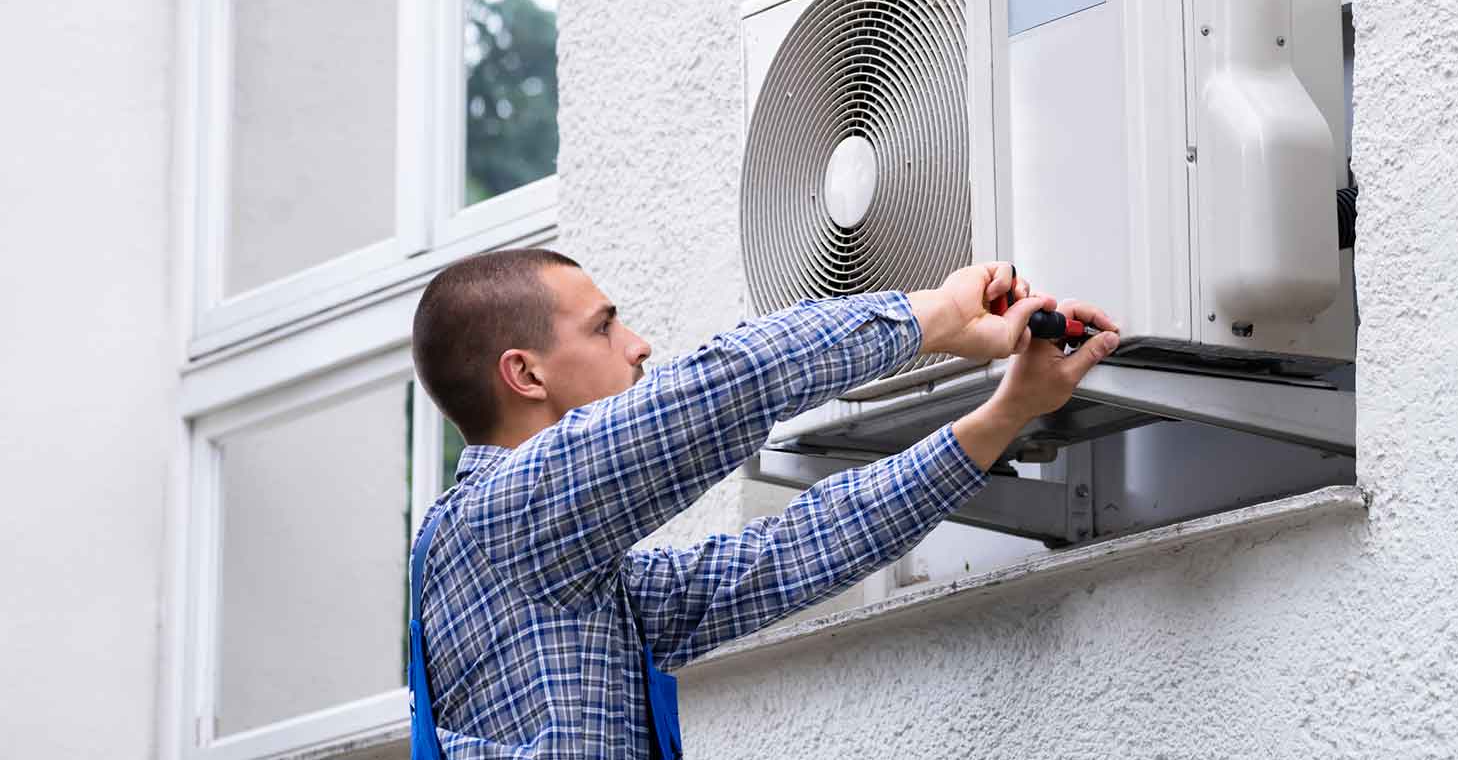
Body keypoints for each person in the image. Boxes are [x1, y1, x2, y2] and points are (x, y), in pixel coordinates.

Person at [407, 248, 1120, 758]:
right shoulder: (497, 519)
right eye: (603, 326)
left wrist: (1008, 410)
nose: (638, 346)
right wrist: (939, 316)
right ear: (525, 373)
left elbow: (795, 552)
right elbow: (736, 382)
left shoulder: (575, 584)